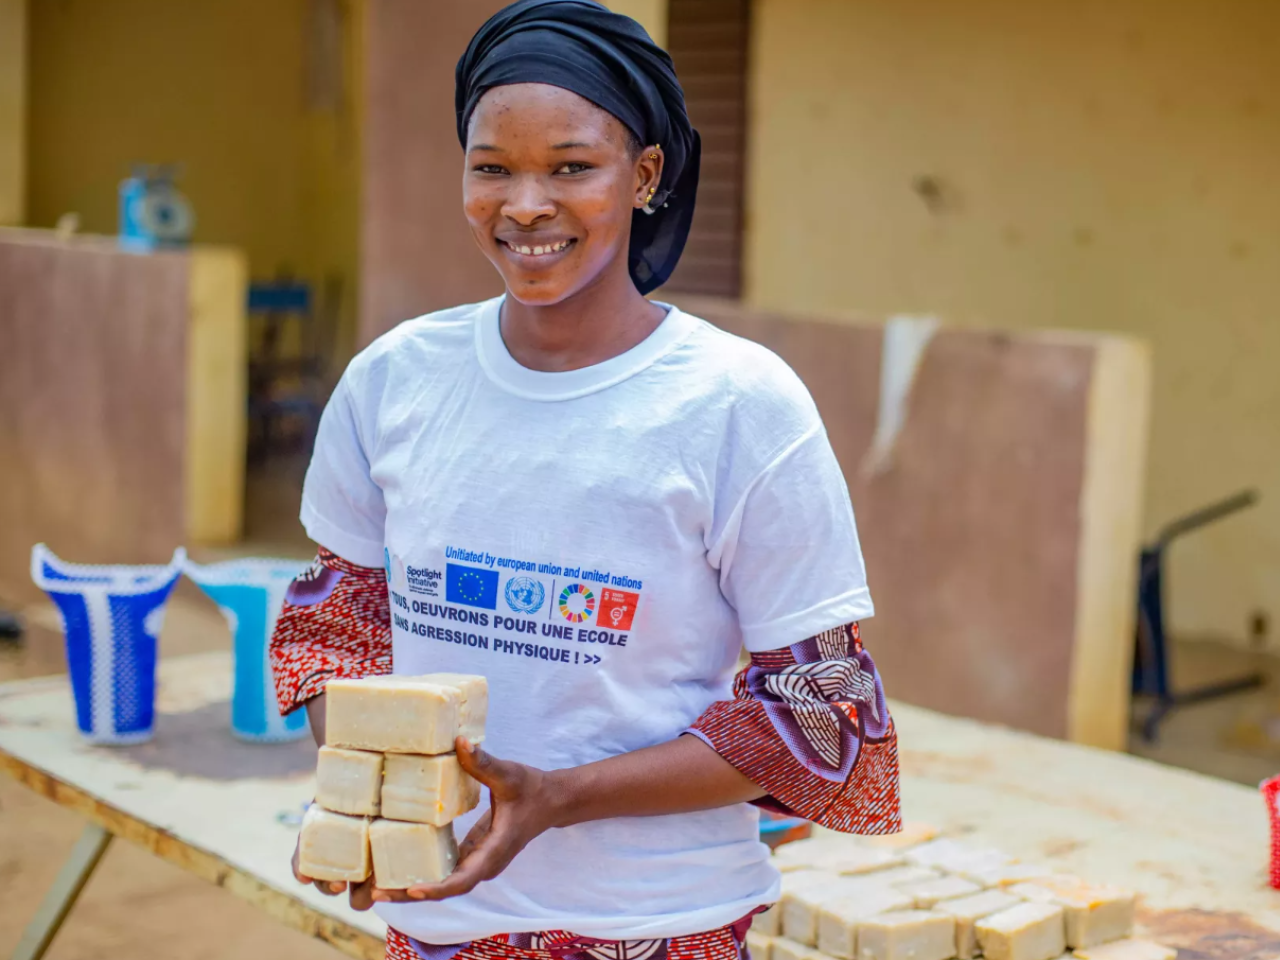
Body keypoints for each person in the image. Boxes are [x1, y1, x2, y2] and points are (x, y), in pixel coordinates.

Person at [269, 2, 901, 958]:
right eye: (493, 168)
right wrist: (374, 784)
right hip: (440, 920)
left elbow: (822, 710)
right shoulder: (394, 382)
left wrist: (559, 800)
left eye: (570, 167)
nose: (525, 205)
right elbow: (334, 624)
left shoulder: (739, 405)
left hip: (658, 921)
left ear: (645, 174)